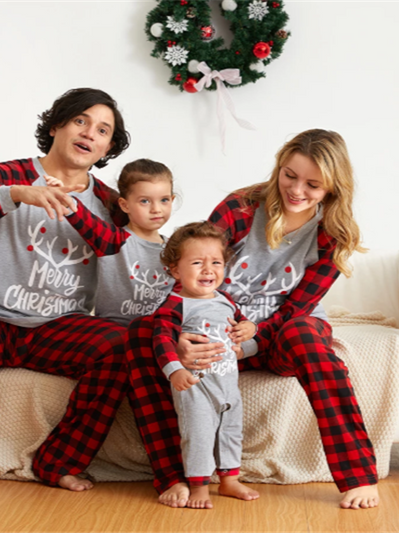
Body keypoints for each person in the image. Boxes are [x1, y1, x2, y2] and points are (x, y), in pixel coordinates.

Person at [125, 129, 379, 510]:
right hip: (214, 331)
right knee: (143, 332)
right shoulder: (242, 207)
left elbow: (297, 307)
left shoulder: (333, 234)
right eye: (289, 175)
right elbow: (196, 265)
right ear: (279, 167)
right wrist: (180, 336)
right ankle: (173, 477)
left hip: (280, 334)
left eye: (313, 184)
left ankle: (357, 476)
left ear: (332, 187)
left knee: (305, 335)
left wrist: (257, 332)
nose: (296, 190)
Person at [0, 87, 134, 491]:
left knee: (123, 345)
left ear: (108, 146)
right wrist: (18, 195)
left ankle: (58, 462)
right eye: (80, 121)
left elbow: (120, 246)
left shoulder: (108, 200)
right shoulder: (9, 174)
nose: (90, 133)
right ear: (56, 125)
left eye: (103, 130)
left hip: (59, 325)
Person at [152, 221, 260, 509]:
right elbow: (161, 339)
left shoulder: (226, 300)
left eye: (216, 262)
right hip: (196, 386)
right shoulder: (175, 304)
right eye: (197, 262)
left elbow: (242, 329)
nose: (208, 270)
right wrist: (174, 369)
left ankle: (229, 480)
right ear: (175, 270)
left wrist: (249, 330)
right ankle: (198, 485)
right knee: (198, 434)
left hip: (227, 384)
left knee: (230, 431)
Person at [44, 158, 175, 326]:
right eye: (145, 201)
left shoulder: (175, 250)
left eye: (164, 200)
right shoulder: (113, 239)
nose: (156, 209)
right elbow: (81, 216)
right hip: (113, 331)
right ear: (125, 205)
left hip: (157, 332)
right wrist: (62, 196)